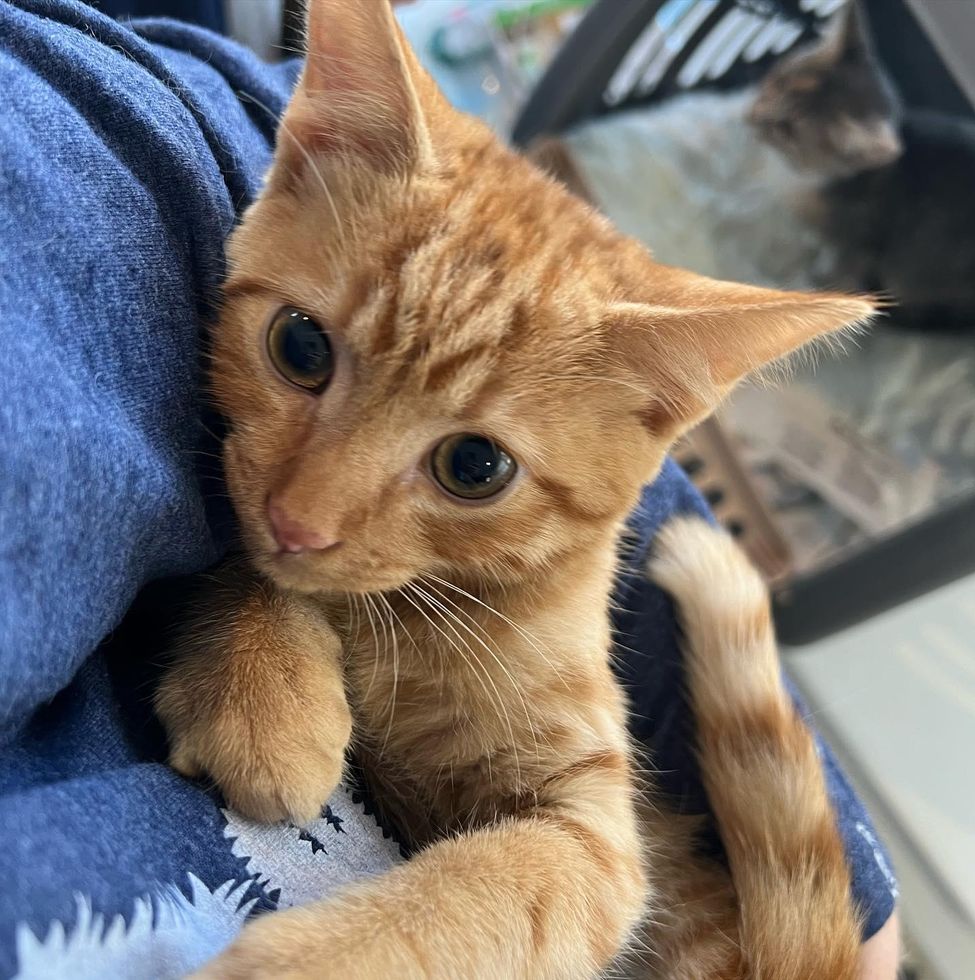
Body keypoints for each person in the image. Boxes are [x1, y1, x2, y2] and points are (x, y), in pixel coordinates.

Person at [0, 0, 899, 975]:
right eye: (303, 352)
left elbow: (593, 855)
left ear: (653, 415)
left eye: (471, 465)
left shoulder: (542, 583)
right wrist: (258, 602)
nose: (304, 512)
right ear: (306, 153)